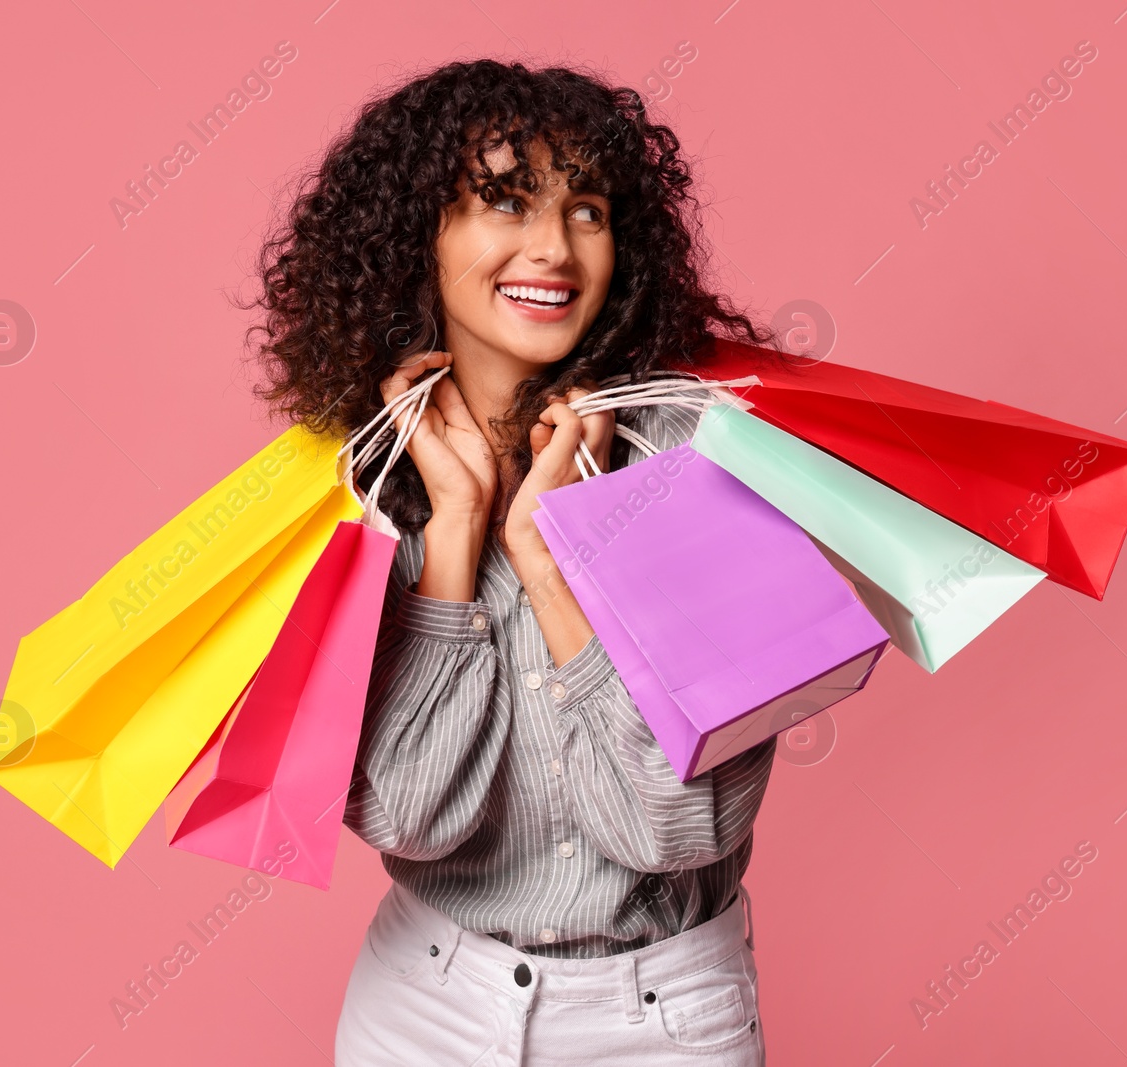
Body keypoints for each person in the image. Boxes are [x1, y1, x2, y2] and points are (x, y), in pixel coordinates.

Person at [247, 57, 797, 1065]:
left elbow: (674, 829)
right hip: (424, 1007)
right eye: (505, 202)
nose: (552, 247)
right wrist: (453, 534)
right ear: (423, 233)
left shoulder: (703, 457)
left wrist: (547, 564)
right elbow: (406, 816)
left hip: (664, 1020)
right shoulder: (359, 491)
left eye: (585, 208)